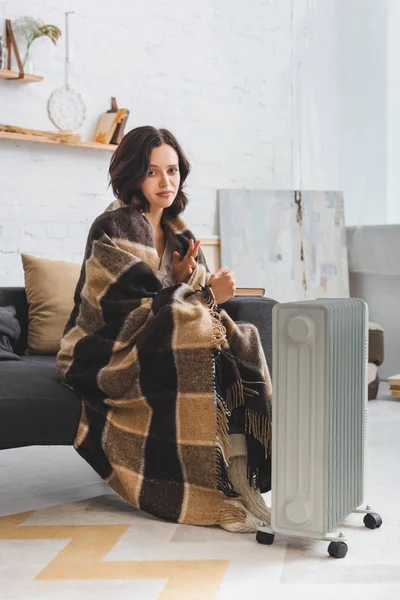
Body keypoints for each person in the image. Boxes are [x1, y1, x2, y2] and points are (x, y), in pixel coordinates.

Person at [57, 126, 272, 533]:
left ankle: (236, 479)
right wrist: (199, 289)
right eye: (153, 172)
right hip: (103, 346)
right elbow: (122, 306)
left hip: (156, 334)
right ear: (133, 175)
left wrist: (189, 282)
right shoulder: (114, 225)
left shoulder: (181, 235)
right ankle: (204, 490)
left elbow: (181, 302)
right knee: (190, 326)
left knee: (239, 336)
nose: (165, 182)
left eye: (172, 171)